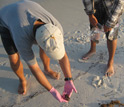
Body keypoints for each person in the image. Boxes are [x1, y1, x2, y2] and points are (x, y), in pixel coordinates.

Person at [0, 0, 77, 102]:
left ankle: (47, 69)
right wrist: (52, 91)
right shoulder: (21, 38)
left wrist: (69, 80)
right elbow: (35, 68)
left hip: (25, 8)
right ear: (35, 41)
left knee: (46, 46)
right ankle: (22, 79)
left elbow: (63, 57)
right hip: (5, 20)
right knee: (14, 59)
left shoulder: (56, 28)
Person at [82, 0, 124, 77]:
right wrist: (90, 15)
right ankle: (92, 49)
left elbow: (120, 3)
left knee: (111, 35)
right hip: (96, 7)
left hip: (112, 8)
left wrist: (110, 23)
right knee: (94, 27)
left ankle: (110, 61)